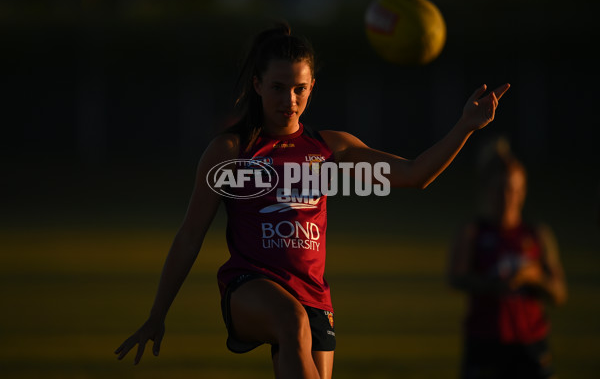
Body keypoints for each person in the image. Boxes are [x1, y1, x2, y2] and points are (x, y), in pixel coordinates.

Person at [115, 22, 510, 379]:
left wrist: (465, 127)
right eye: (277, 87)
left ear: (312, 87)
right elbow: (189, 236)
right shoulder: (230, 151)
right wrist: (157, 314)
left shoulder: (329, 148)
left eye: (299, 88)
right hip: (250, 287)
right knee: (291, 321)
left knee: (303, 338)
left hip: (314, 296)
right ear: (256, 84)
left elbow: (415, 174)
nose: (290, 99)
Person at [447, 137, 567, 379]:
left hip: (530, 342)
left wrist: (533, 277)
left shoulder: (536, 235)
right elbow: (456, 278)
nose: (507, 197)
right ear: (487, 190)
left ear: (523, 191)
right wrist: (493, 284)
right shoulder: (473, 232)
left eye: (513, 189)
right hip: (485, 340)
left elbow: (559, 293)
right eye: (500, 189)